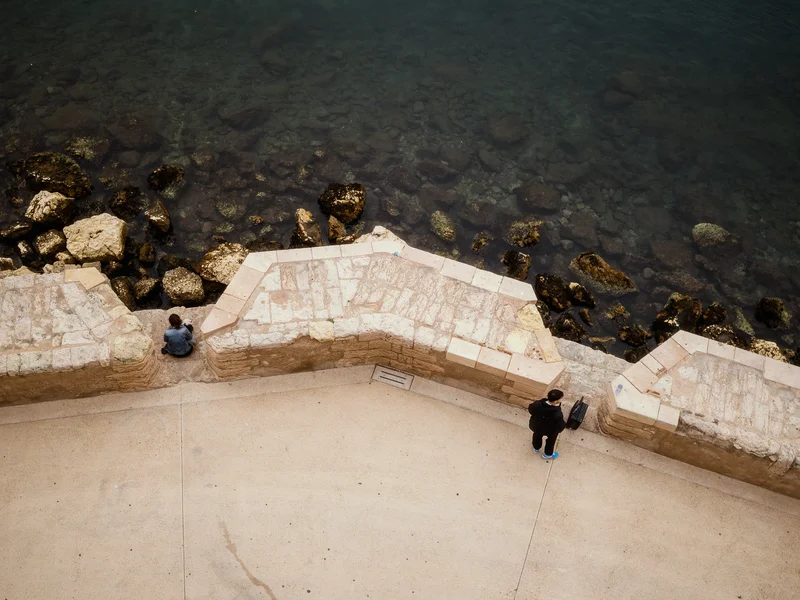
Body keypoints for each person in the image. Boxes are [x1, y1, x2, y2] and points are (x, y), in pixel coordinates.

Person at [528, 389, 567, 460]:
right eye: (561, 398)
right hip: (550, 430)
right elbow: (560, 425)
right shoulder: (557, 413)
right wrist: (561, 428)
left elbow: (531, 409)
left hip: (537, 426)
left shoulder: (537, 404)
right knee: (550, 441)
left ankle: (536, 448)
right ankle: (547, 454)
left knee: (537, 436)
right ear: (555, 401)